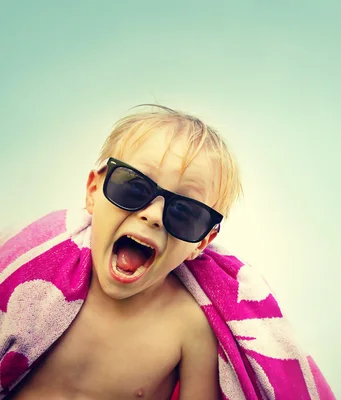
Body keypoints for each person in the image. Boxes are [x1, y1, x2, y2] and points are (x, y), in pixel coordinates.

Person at [10, 105, 242, 399]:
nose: (154, 215)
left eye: (185, 212)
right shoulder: (32, 274)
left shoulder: (189, 328)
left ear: (201, 241)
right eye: (133, 187)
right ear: (94, 190)